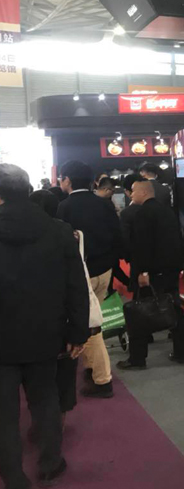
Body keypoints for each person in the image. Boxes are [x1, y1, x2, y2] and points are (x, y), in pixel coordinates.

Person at [0, 164, 89, 489]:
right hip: (45, 332)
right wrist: (78, 331)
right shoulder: (58, 230)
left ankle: (13, 476)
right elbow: (76, 286)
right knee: (46, 399)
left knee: (4, 414)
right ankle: (50, 463)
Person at [29, 190, 104, 427]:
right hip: (65, 317)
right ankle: (57, 422)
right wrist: (78, 331)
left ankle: (44, 424)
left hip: (34, 321)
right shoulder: (70, 234)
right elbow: (77, 286)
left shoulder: (27, 236)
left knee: (37, 377)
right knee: (63, 372)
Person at [57, 160, 120, 398]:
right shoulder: (104, 204)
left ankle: (102, 380)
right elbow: (117, 236)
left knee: (89, 326)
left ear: (68, 180)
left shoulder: (64, 207)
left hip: (82, 274)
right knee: (93, 319)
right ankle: (93, 369)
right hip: (105, 270)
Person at [118, 180, 184, 369]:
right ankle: (182, 350)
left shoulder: (142, 214)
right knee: (174, 308)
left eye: (134, 191)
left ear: (143, 192)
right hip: (170, 269)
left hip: (151, 272)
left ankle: (137, 359)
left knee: (138, 313)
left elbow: (143, 246)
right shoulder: (167, 211)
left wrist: (143, 271)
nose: (131, 195)